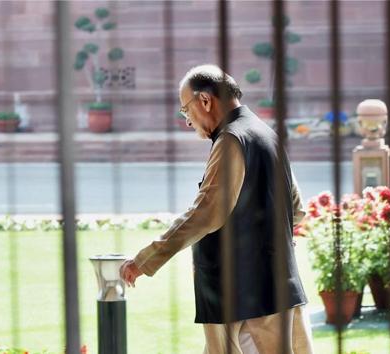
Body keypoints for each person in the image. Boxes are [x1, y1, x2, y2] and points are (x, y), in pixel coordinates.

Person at [119, 65, 313, 354]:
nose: (187, 121)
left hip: (244, 301)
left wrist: (144, 260)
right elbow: (295, 208)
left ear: (205, 101)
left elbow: (205, 213)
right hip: (278, 292)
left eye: (186, 110)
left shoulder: (231, 140)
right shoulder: (266, 134)